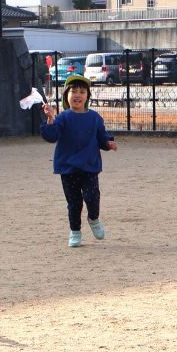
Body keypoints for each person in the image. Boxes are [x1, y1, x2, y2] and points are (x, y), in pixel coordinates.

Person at [41, 74, 117, 248]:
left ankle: (93, 218)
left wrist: (108, 143)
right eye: (73, 91)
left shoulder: (95, 118)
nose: (77, 95)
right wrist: (50, 119)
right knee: (74, 203)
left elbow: (102, 137)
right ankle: (75, 232)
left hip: (89, 166)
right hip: (68, 168)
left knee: (92, 197)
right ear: (66, 96)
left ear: (87, 97)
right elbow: (51, 136)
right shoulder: (62, 118)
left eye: (82, 92)